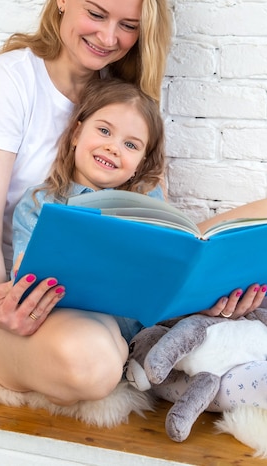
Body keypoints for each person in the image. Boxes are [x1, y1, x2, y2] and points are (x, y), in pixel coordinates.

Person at [0, 0, 267, 406]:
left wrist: (207, 288)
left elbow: (158, 225)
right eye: (96, 14)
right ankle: (115, 346)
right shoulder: (13, 80)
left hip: (113, 288)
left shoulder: (125, 99)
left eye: (128, 25)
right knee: (92, 362)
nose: (109, 37)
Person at [12, 77, 166, 342]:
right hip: (75, 326)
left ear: (140, 164)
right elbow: (24, 272)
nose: (113, 147)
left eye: (130, 145)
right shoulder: (41, 202)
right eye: (104, 131)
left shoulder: (147, 199)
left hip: (141, 331)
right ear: (76, 134)